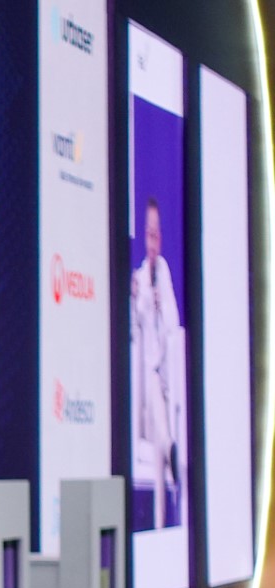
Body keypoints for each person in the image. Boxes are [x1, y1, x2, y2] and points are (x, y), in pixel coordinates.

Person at [131, 196, 183, 529]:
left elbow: (173, 323)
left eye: (157, 234)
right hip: (148, 375)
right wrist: (142, 299)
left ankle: (166, 520)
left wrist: (162, 304)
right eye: (148, 234)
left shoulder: (163, 271)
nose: (154, 241)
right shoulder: (139, 277)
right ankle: (172, 451)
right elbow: (136, 323)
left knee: (163, 451)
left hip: (166, 374)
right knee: (163, 433)